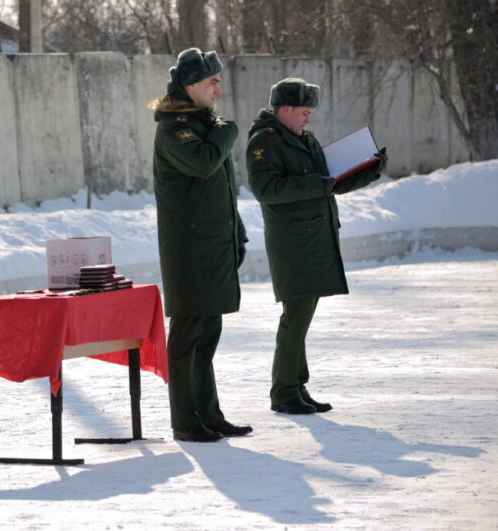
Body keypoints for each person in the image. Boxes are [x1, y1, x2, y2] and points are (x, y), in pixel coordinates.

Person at [245, 77, 387, 415]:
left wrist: (369, 170)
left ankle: (297, 386)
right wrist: (315, 184)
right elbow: (267, 188)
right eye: (305, 113)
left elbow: (330, 182)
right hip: (292, 242)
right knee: (295, 315)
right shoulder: (263, 142)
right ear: (286, 109)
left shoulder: (304, 139)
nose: (309, 119)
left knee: (302, 315)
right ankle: (283, 391)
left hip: (312, 238)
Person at [150, 48, 253, 442]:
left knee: (208, 332)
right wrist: (228, 130)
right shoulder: (175, 129)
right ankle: (186, 420)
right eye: (212, 83)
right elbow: (205, 163)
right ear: (191, 85)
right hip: (189, 249)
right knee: (189, 332)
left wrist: (236, 232)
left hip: (212, 242)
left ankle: (209, 413)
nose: (219, 91)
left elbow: (222, 189)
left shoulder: (204, 124)